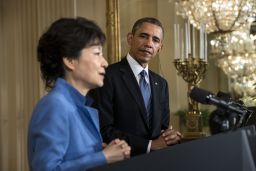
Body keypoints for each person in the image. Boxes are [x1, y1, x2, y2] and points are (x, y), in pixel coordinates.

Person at [27, 17, 131, 171]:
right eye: (97, 53)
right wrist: (104, 157)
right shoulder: (55, 105)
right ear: (70, 60)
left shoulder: (79, 104)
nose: (105, 63)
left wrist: (103, 153)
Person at [90, 17, 182, 156]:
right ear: (130, 38)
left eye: (155, 40)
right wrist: (149, 145)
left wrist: (171, 137)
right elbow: (102, 130)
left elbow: (162, 130)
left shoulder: (161, 84)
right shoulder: (107, 76)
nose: (149, 44)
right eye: (143, 36)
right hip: (121, 164)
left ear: (160, 48)